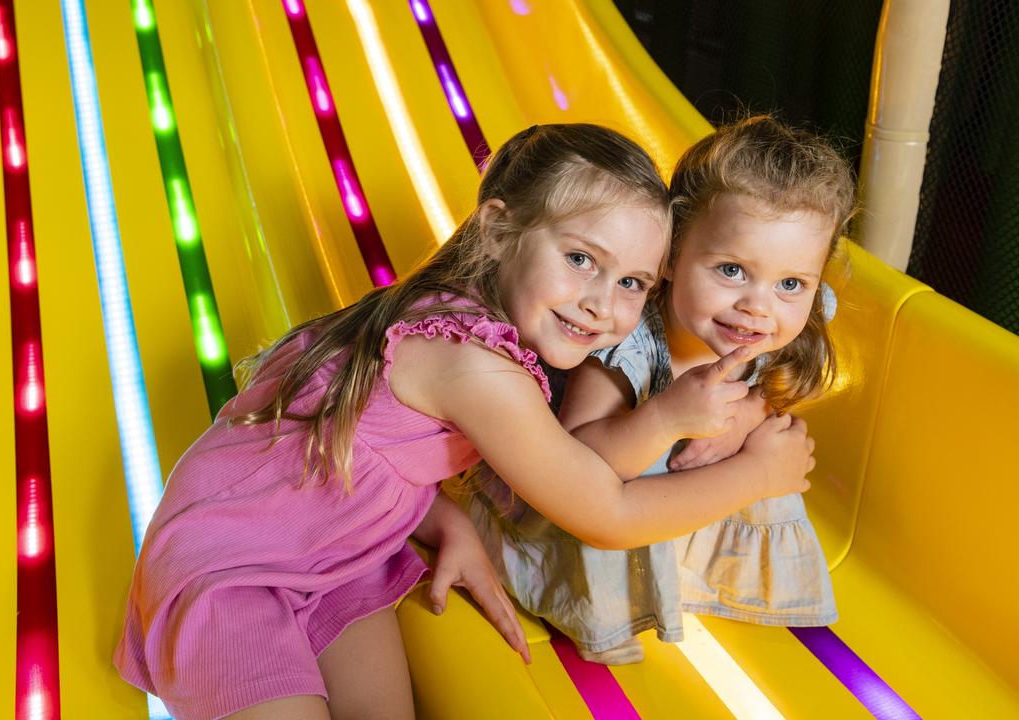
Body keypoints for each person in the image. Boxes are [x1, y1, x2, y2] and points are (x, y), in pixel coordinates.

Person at [115, 123, 816, 720]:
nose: (604, 303)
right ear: (498, 228)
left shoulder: (479, 316)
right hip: (234, 566)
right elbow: (606, 510)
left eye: (632, 282)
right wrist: (757, 472)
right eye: (581, 259)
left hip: (340, 555)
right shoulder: (476, 367)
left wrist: (432, 517)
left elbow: (367, 438)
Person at [470, 116, 852, 665]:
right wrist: (666, 419)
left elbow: (789, 369)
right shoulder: (628, 341)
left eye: (791, 282)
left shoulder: (784, 320)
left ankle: (695, 576)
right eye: (731, 270)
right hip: (601, 520)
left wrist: (750, 411)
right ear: (671, 256)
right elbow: (579, 461)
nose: (760, 305)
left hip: (684, 512)